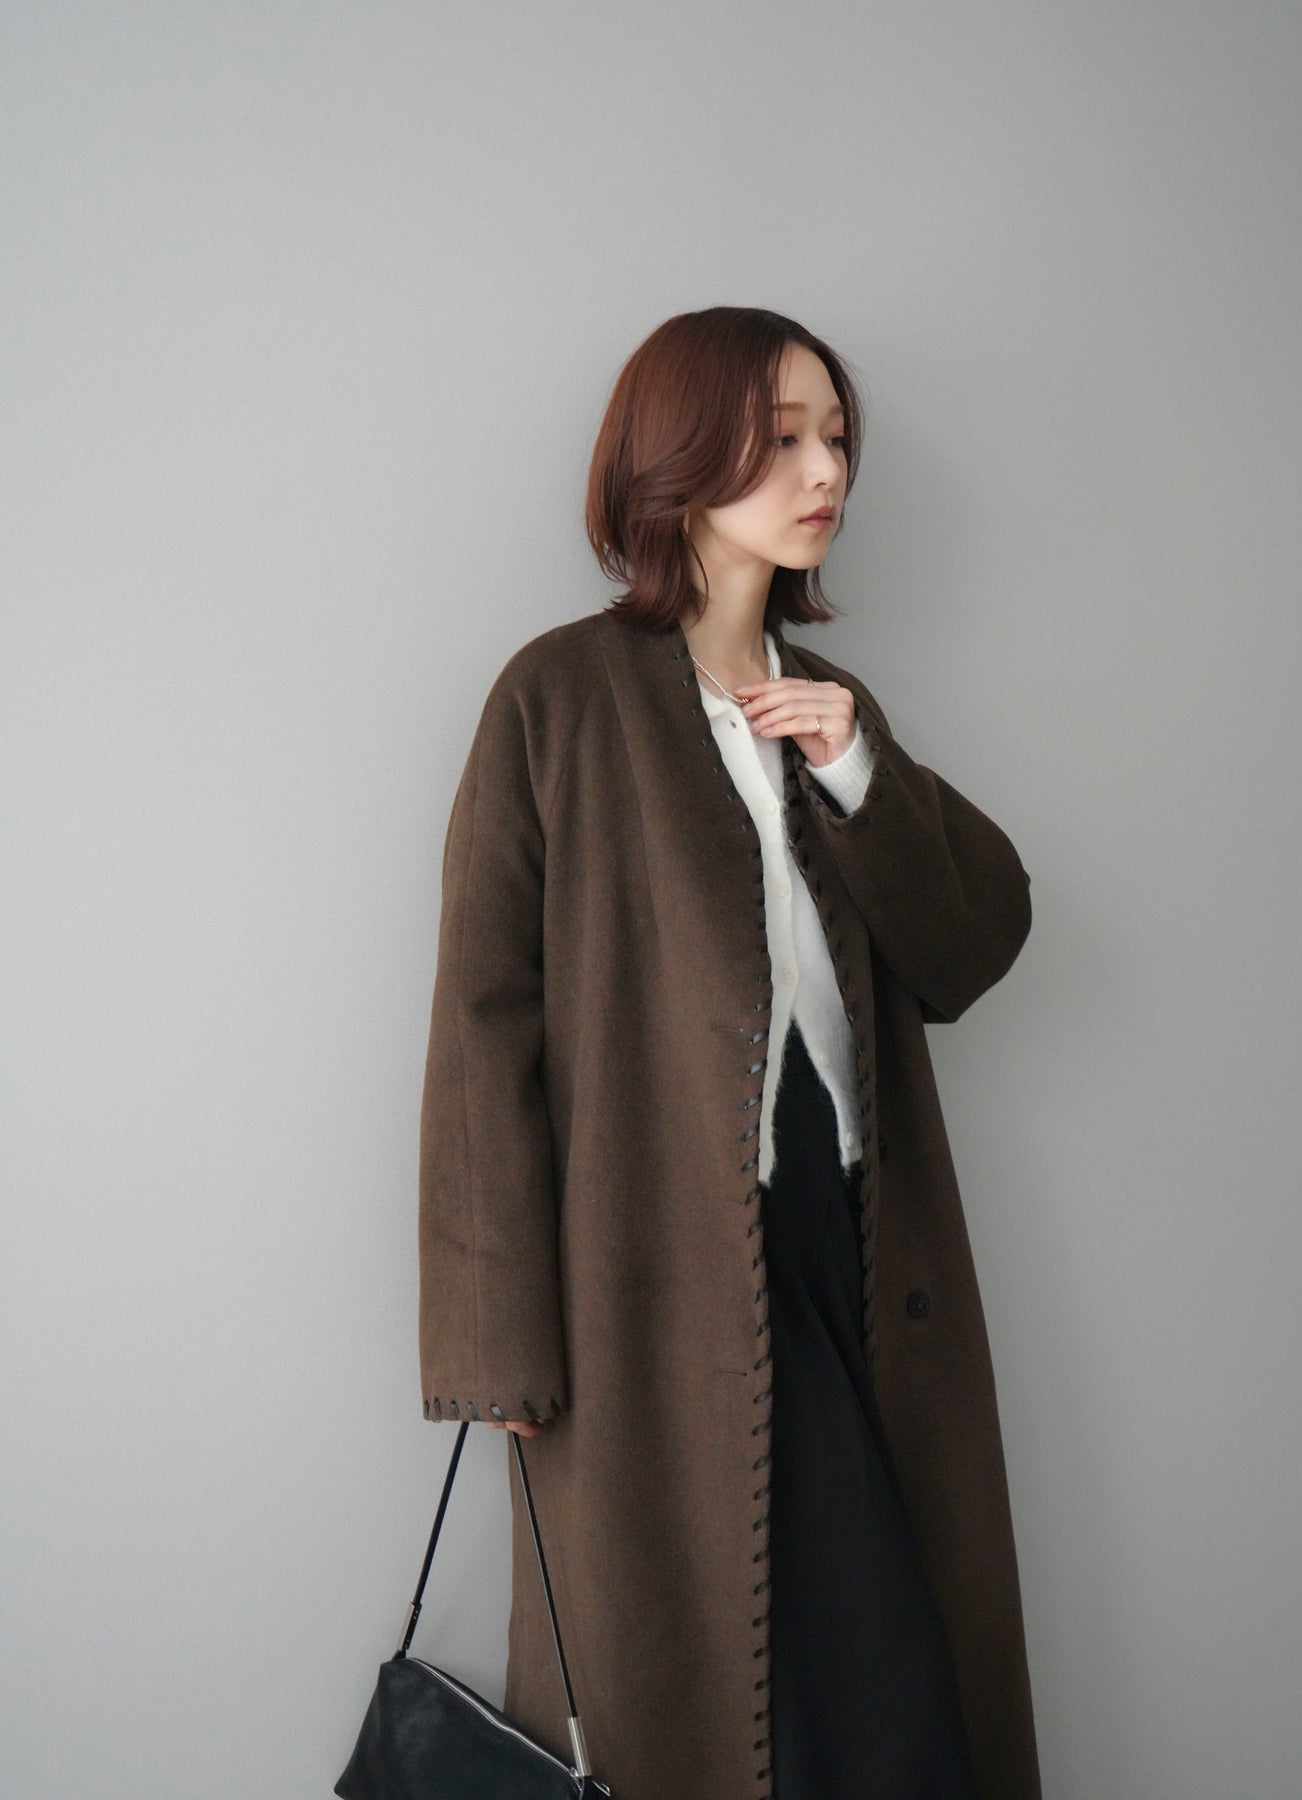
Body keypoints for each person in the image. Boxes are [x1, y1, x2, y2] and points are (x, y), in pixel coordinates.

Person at [417, 306, 1041, 1799]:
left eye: (835, 437)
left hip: (853, 1248)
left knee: (881, 1693)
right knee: (727, 1689)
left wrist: (855, 765)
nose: (824, 470)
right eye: (779, 437)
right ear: (678, 457)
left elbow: (973, 947)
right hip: (653, 1272)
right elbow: (483, 1021)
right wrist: (492, 1334)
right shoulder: (559, 697)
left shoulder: (826, 708)